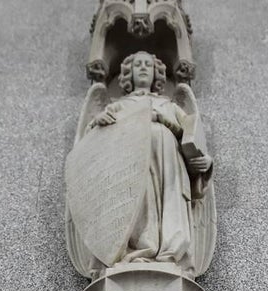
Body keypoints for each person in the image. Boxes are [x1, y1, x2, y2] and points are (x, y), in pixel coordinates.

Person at [88, 51, 212, 264]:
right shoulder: (118, 106)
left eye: (148, 64)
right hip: (131, 162)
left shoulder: (170, 106)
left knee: (168, 202)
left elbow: (192, 137)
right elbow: (93, 149)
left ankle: (169, 253)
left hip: (169, 163)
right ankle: (134, 251)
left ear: (157, 74)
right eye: (138, 65)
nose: (143, 68)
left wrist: (205, 163)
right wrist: (97, 123)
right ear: (129, 73)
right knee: (138, 201)